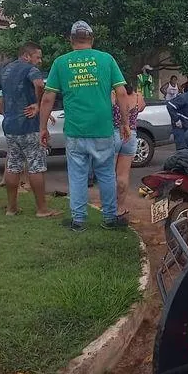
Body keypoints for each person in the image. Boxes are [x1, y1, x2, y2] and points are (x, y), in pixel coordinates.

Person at [39, 20, 130, 232]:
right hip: (102, 129)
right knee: (106, 174)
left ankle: (78, 221)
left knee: (77, 175)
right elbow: (122, 93)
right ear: (92, 39)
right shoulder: (106, 59)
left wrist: (43, 127)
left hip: (75, 130)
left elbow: (47, 98)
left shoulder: (61, 63)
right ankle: (109, 218)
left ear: (71, 40)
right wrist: (125, 122)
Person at [0, 42, 60, 218]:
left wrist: (2, 110)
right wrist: (38, 104)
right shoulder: (30, 69)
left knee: (13, 165)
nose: (40, 61)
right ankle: (42, 209)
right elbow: (40, 85)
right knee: (36, 166)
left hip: (10, 126)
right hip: (29, 126)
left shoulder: (5, 69)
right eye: (38, 57)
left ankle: (11, 208)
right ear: (27, 56)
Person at [113, 83, 145, 218]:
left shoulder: (113, 95)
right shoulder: (138, 98)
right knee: (123, 175)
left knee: (109, 173)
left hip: (114, 133)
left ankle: (109, 206)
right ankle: (120, 207)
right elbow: (142, 107)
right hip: (130, 135)